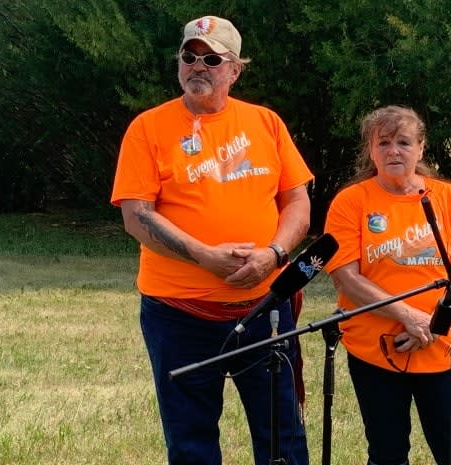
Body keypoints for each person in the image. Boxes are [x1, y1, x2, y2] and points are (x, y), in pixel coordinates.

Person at [110, 15, 312, 465]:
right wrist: (205, 257)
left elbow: (297, 203)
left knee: (283, 437)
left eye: (212, 58)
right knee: (191, 441)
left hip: (265, 310)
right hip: (179, 315)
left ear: (235, 69)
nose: (198, 65)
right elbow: (136, 216)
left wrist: (274, 254)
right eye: (189, 55)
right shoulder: (148, 128)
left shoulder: (266, 123)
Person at [324, 105, 451, 465]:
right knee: (387, 453)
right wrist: (407, 315)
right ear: (370, 150)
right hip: (375, 351)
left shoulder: (448, 198)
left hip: (443, 347)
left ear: (421, 148)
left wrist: (433, 323)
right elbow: (346, 276)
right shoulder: (350, 202)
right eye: (383, 142)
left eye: (403, 142)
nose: (393, 151)